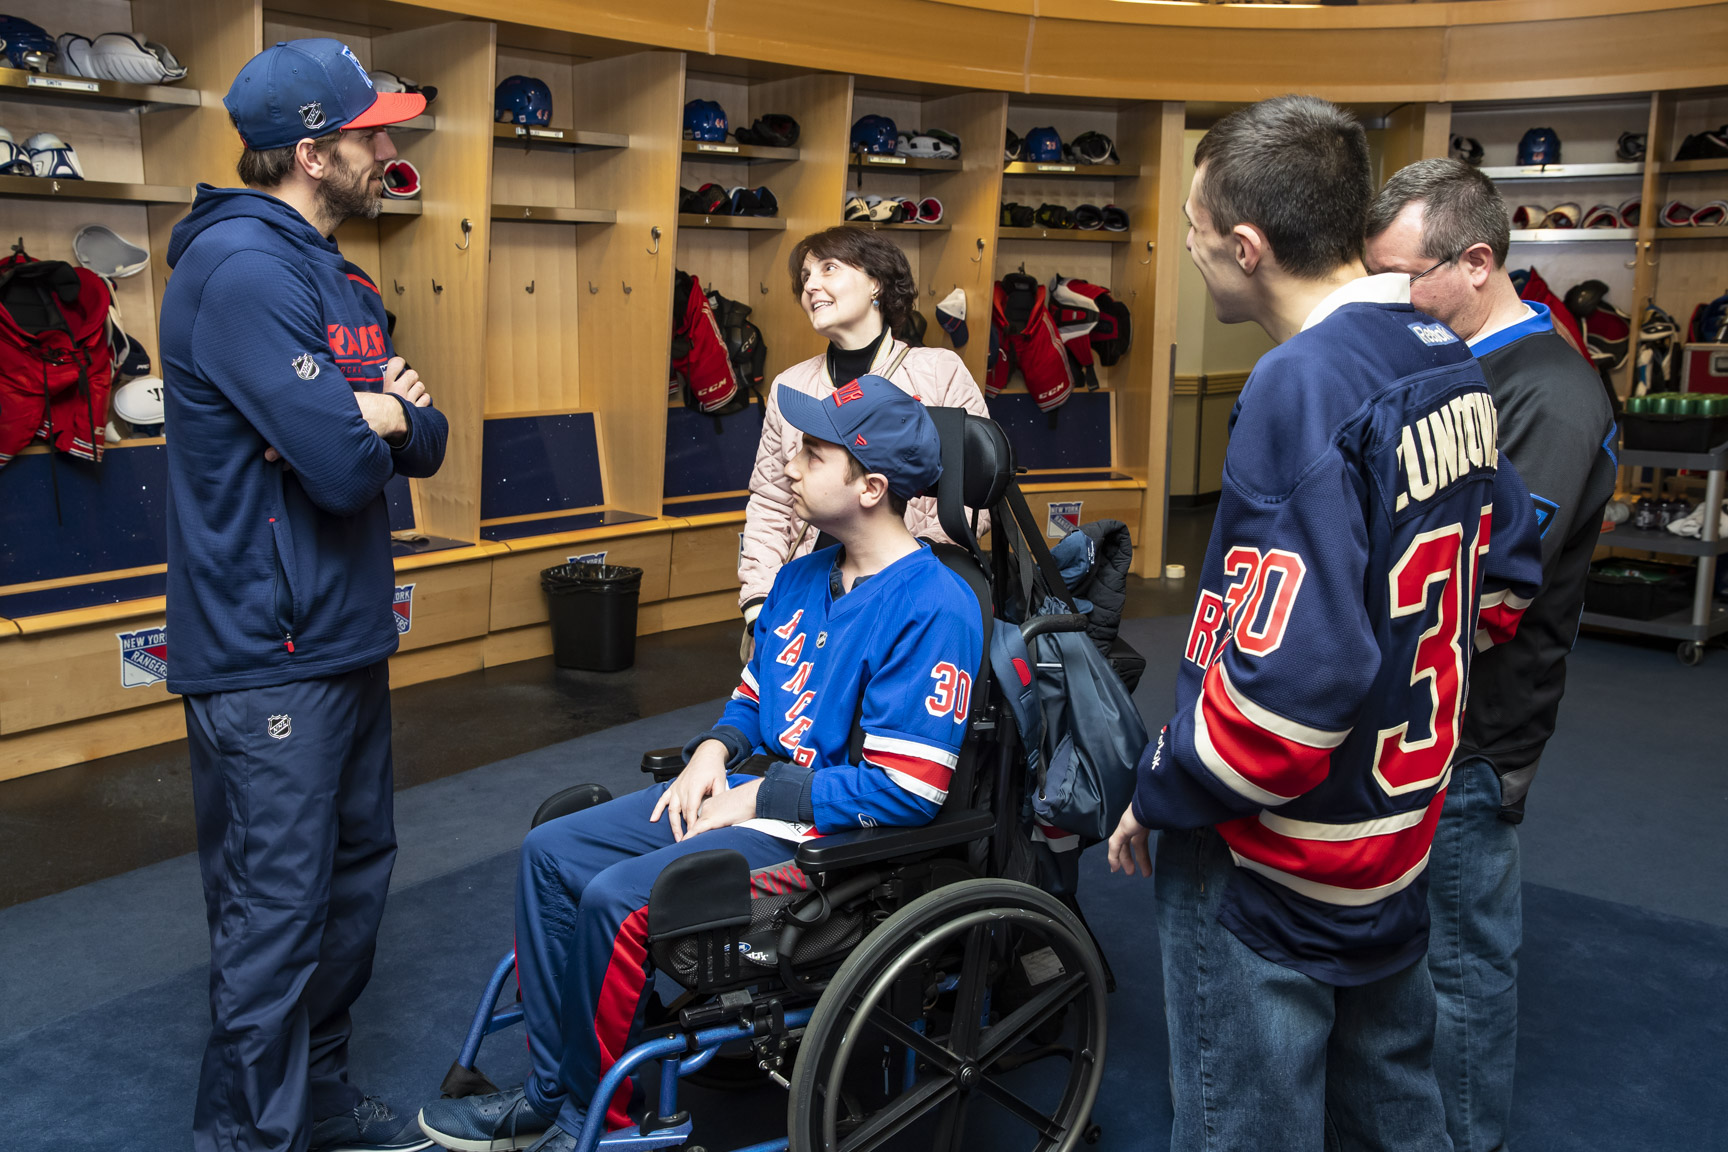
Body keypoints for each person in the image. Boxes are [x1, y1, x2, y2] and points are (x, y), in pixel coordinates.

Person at [1104, 96, 1544, 1151]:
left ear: (1247, 248)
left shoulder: (1299, 383)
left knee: (1246, 1125)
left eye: (1199, 233)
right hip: (1397, 827)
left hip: (1278, 847)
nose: (1195, 252)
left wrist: (1164, 790)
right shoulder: (1442, 349)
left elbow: (1287, 704)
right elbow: (1508, 570)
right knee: (1395, 1106)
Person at [417, 376, 984, 1152]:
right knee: (551, 853)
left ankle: (594, 1124)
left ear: (871, 487)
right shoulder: (801, 576)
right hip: (760, 800)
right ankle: (552, 1093)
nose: (790, 465)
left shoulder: (934, 606)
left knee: (621, 899)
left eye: (814, 454)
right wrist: (716, 750)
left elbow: (908, 792)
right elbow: (756, 697)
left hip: (831, 847)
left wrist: (759, 800)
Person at [160, 39, 447, 1152]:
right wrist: (367, 418)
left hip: (343, 634)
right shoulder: (241, 272)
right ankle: (245, 1141)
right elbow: (339, 463)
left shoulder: (338, 277)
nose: (392, 147)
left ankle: (316, 1096)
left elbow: (420, 436)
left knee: (352, 883)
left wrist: (383, 417)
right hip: (262, 649)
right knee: (273, 918)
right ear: (313, 151)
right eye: (373, 133)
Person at [1365, 158, 1618, 1152]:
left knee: (1464, 963)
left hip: (1474, 737)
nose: (1386, 299)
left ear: (1475, 263)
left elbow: (1478, 590)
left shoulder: (1550, 391)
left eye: (1402, 276)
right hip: (1411, 722)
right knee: (1405, 961)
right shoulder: (1439, 365)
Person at [736, 225, 989, 660]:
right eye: (806, 277)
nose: (810, 285)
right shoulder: (790, 386)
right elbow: (771, 501)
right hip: (807, 598)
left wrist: (891, 573)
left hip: (908, 600)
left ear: (875, 282)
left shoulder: (938, 372)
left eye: (828, 269)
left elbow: (973, 500)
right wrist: (759, 600)